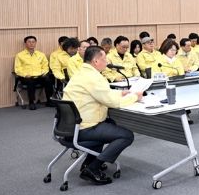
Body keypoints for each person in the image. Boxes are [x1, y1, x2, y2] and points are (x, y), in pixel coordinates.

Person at [62, 46, 142, 185]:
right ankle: (92, 169)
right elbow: (113, 102)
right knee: (126, 135)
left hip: (69, 127)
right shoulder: (93, 78)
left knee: (110, 124)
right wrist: (135, 97)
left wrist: (120, 93)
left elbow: (102, 93)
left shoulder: (82, 73)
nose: (107, 62)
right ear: (96, 61)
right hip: (84, 128)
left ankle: (88, 163)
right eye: (104, 59)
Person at [14, 35, 55, 109]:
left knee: (48, 80)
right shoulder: (19, 55)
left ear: (36, 43)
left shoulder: (41, 54)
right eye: (29, 42)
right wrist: (25, 75)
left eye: (33, 42)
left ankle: (49, 101)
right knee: (30, 81)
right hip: (27, 77)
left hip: (39, 76)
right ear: (25, 43)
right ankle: (31, 102)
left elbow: (45, 66)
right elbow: (17, 69)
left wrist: (43, 73)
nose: (31, 44)